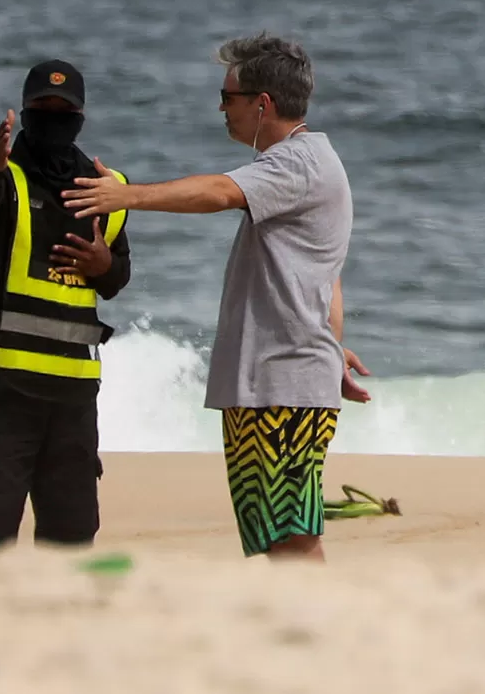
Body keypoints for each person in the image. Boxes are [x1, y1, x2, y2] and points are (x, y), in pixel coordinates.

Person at [61, 32, 369, 562]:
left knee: (291, 536)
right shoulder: (306, 166)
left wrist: (125, 195)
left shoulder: (297, 163)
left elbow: (218, 191)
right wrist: (328, 348)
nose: (221, 108)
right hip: (285, 380)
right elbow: (326, 278)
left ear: (263, 104)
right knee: (281, 535)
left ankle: (322, 634)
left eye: (229, 97)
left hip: (282, 388)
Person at [0, 59, 133, 550]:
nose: (54, 118)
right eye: (42, 109)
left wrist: (100, 265)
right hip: (0, 390)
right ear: (26, 112)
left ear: (80, 116)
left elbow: (118, 277)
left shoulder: (103, 186)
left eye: (64, 110)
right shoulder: (1, 178)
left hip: (73, 396)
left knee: (71, 540)